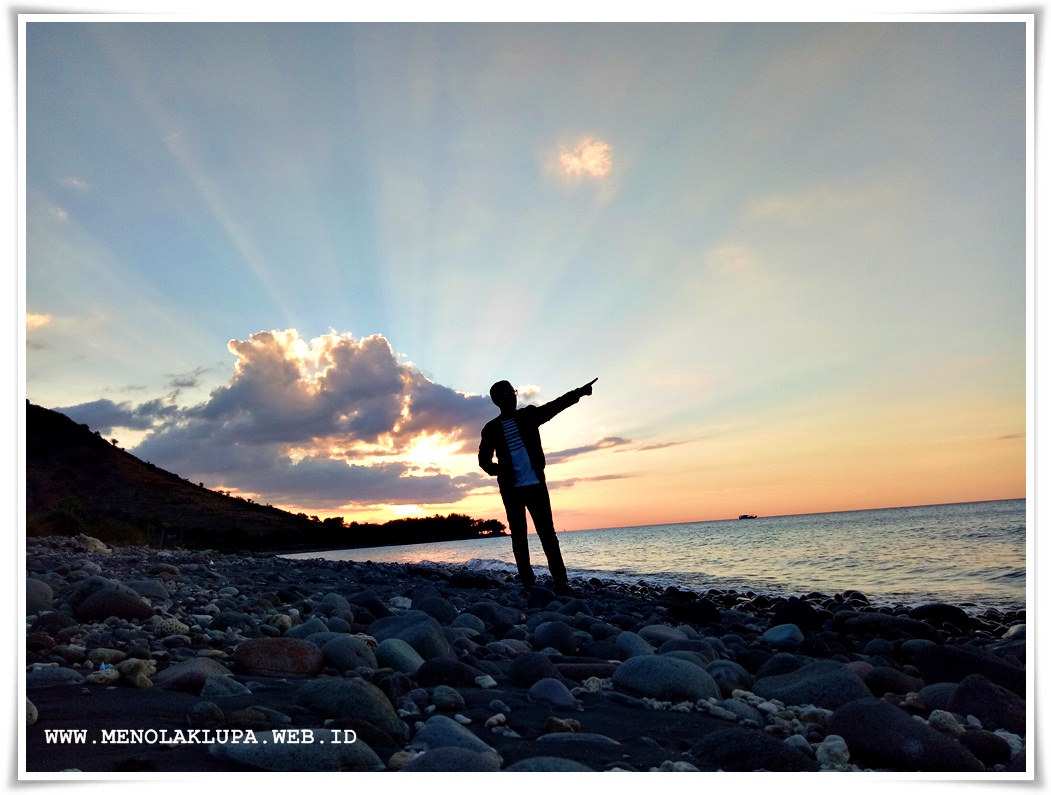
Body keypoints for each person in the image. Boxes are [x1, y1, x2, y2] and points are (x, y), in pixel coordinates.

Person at [478, 377, 597, 594]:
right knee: (519, 536)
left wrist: (579, 392)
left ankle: (561, 582)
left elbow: (555, 406)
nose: (513, 396)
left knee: (547, 534)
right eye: (507, 393)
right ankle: (528, 583)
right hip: (511, 490)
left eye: (513, 392)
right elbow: (484, 460)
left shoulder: (528, 415)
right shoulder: (491, 429)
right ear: (497, 400)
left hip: (536, 486)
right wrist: (500, 471)